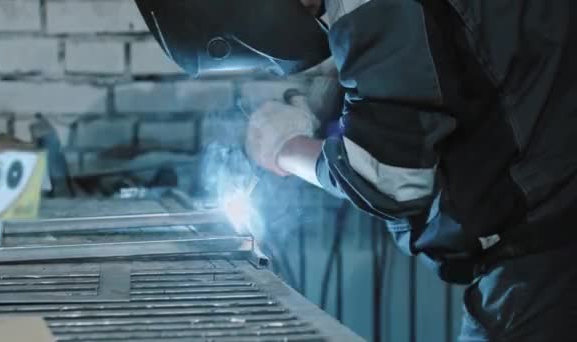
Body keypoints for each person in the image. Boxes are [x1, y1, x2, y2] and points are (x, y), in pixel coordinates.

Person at [135, 1, 577, 341]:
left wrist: (285, 149)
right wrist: (310, 109)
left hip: (545, 253)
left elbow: (390, 178)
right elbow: (431, 64)